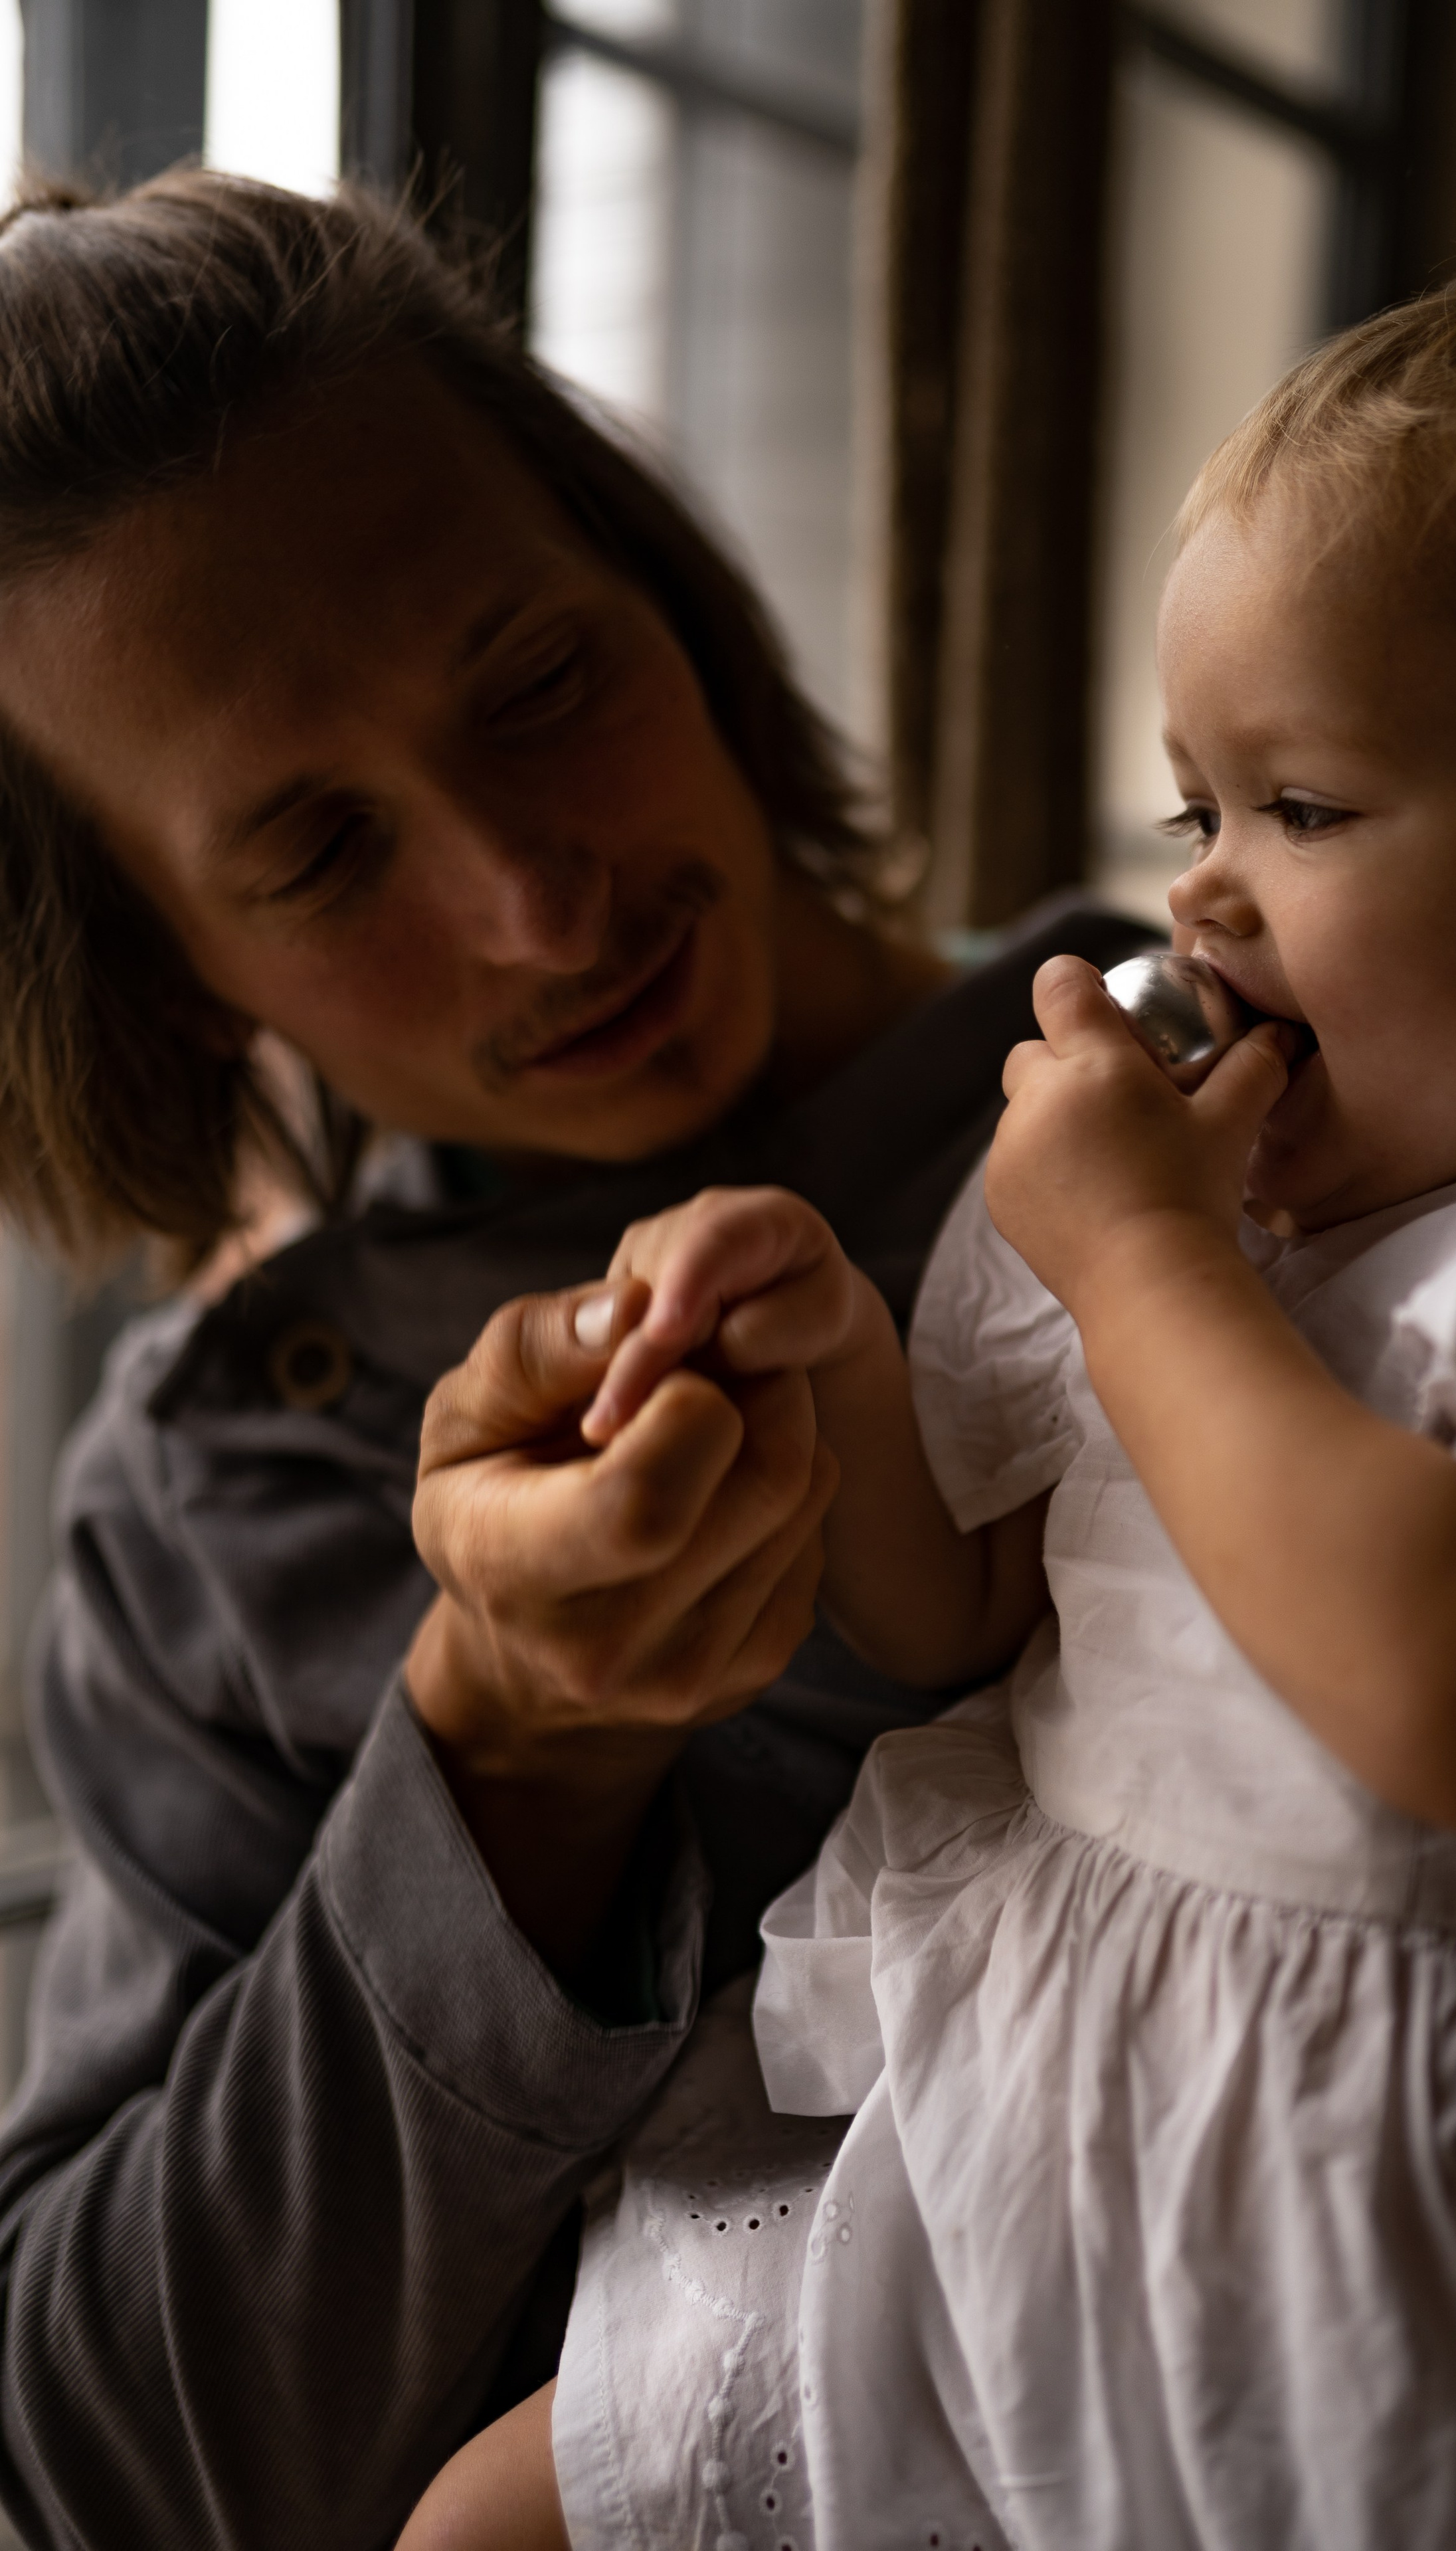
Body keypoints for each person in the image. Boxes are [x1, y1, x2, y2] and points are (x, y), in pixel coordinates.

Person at [409, 243, 1456, 2550]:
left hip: (1396, 2238)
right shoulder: (1240, 1210)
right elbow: (960, 1611)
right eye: (1189, 807)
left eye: (1305, 809)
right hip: (1020, 2149)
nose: (1200, 900)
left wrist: (1136, 1265)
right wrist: (829, 1358)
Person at [0, 170, 1148, 2548]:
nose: (540, 901)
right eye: (320, 855)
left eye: (541, 686)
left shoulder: (1241, 1078)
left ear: (679, 601)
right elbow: (102, 2463)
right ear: (171, 971)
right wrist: (506, 1754)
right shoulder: (219, 1507)